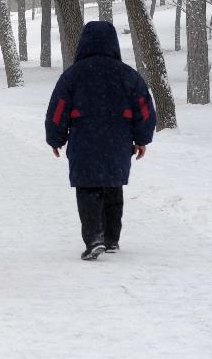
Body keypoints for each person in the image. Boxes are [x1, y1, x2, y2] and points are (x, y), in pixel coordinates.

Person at [45, 21, 157, 261]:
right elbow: (144, 110)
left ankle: (94, 238)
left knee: (87, 188)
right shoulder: (128, 75)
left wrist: (55, 138)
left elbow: (58, 110)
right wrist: (142, 138)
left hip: (84, 140)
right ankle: (111, 238)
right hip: (118, 140)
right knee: (113, 186)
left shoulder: (72, 76)